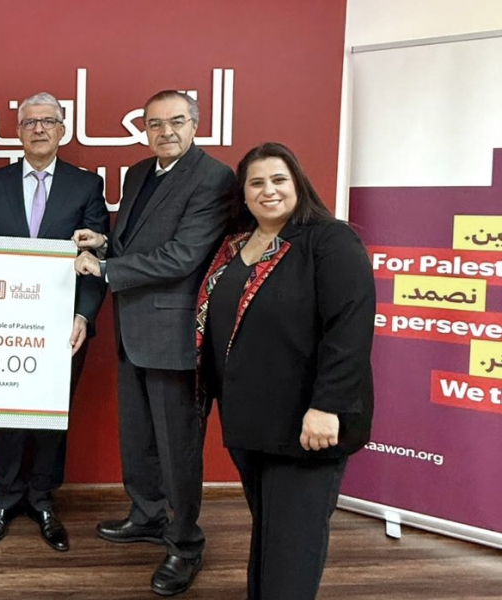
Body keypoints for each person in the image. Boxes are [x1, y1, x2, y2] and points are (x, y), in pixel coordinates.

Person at [194, 142, 375, 600]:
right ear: (243, 193)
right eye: (256, 183)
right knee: (270, 533)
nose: (268, 190)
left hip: (307, 423)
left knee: (292, 545)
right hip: (250, 422)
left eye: (278, 179)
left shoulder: (330, 240)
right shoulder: (236, 244)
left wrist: (328, 406)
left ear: (298, 183)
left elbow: (349, 329)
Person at [74, 90, 234, 596]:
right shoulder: (140, 172)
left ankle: (185, 543)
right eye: (155, 124)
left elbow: (183, 256)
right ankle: (146, 515)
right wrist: (105, 243)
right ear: (143, 129)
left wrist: (106, 269)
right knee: (138, 435)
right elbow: (136, 240)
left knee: (177, 446)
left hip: (175, 334)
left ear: (195, 125)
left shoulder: (214, 178)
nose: (166, 132)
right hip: (132, 328)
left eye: (177, 121)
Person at [0, 92, 109, 552]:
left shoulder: (85, 185)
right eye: (30, 122)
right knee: (7, 413)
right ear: (17, 131)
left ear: (62, 129)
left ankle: (43, 498)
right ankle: (3, 499)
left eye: (48, 121)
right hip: (4, 324)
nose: (38, 129)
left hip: (63, 324)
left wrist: (84, 315)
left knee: (53, 414)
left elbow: (96, 254)